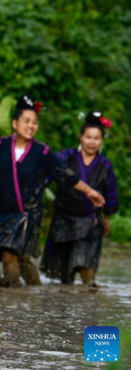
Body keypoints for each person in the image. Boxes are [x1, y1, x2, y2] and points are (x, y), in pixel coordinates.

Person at [0, 95, 105, 287]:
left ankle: (11, 298)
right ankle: (34, 290)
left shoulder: (42, 152)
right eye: (26, 121)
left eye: (35, 122)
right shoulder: (0, 145)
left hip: (28, 215)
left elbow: (65, 175)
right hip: (1, 214)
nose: (31, 126)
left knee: (10, 254)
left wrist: (89, 191)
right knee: (22, 260)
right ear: (14, 123)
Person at [40, 111, 118, 286]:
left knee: (87, 266)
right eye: (88, 137)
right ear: (81, 137)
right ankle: (67, 310)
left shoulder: (105, 165)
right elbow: (50, 170)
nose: (92, 142)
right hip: (64, 219)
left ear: (101, 141)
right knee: (64, 275)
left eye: (96, 138)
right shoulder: (66, 157)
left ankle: (89, 298)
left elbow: (111, 194)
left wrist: (107, 219)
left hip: (90, 222)